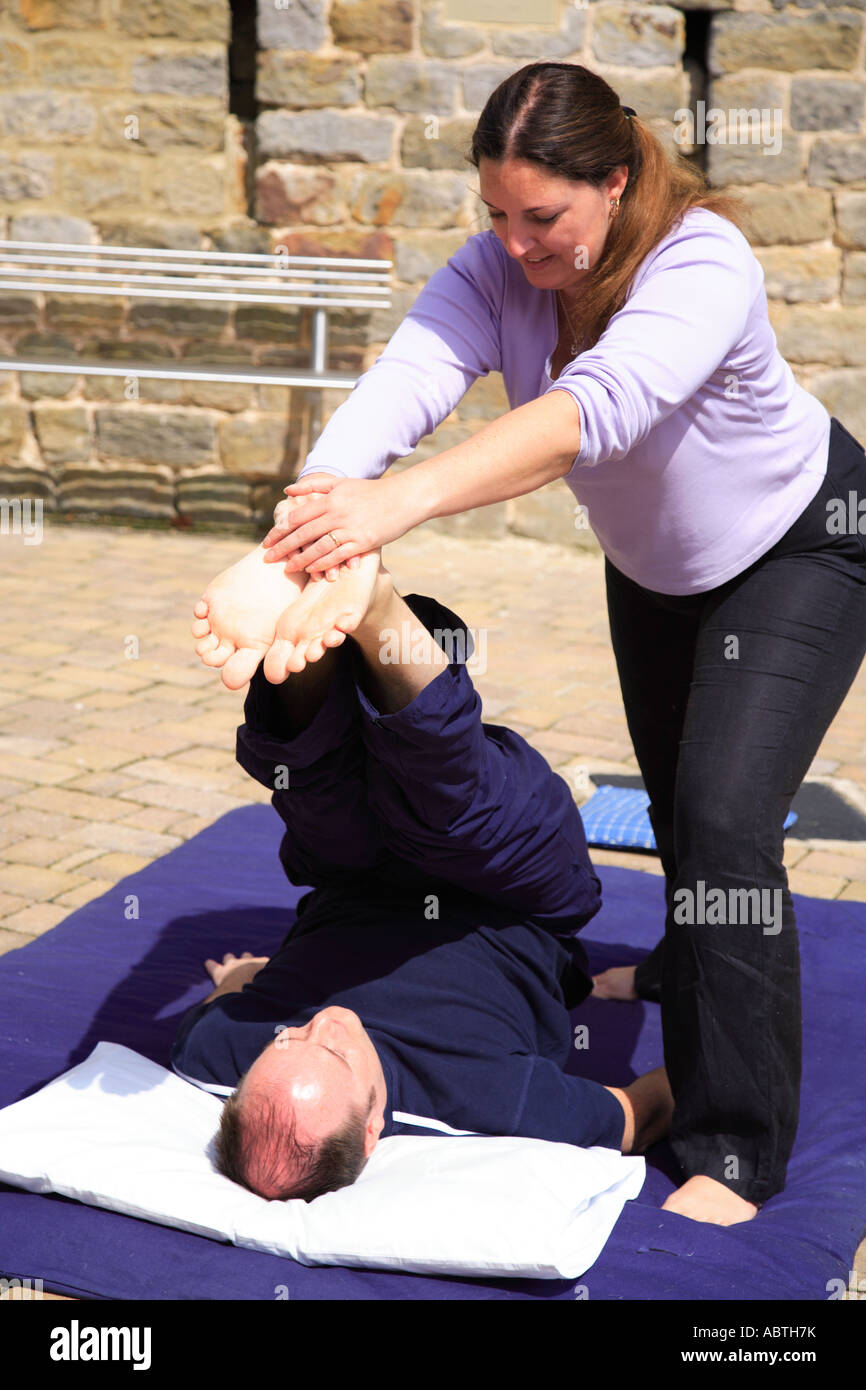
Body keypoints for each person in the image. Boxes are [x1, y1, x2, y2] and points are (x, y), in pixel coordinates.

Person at [228, 61, 866, 1225]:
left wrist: (391, 508)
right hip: (658, 574)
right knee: (679, 806)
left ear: (614, 185)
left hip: (797, 552)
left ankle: (731, 1149)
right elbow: (409, 375)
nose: (514, 245)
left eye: (543, 219)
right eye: (495, 216)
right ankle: (683, 965)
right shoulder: (496, 271)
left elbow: (592, 413)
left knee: (727, 820)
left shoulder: (700, 260)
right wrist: (314, 512)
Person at [177, 545, 674, 1202]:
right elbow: (646, 1113)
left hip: (352, 876)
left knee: (312, 782)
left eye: (286, 1038)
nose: (321, 1021)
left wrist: (243, 978)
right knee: (451, 800)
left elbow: (221, 1008)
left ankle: (303, 629)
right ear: (373, 1129)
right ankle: (376, 609)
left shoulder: (221, 1059)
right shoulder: (497, 1105)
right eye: (332, 1053)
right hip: (511, 894)